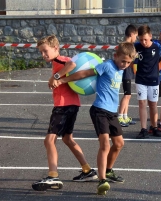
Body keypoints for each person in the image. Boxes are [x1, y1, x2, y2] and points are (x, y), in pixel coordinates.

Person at [52, 42, 136, 195]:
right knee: (105, 144)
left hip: (112, 112)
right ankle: (102, 180)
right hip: (99, 110)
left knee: (118, 144)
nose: (125, 64)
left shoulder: (122, 69)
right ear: (115, 56)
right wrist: (62, 80)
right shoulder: (107, 65)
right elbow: (85, 74)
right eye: (123, 61)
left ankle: (109, 171)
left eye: (129, 62)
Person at [32, 35, 98, 192]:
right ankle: (88, 170)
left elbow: (71, 64)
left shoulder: (60, 60)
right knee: (68, 139)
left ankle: (53, 176)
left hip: (63, 106)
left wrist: (55, 76)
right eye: (41, 52)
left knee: (49, 140)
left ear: (55, 48)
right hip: (72, 105)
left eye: (45, 51)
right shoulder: (59, 60)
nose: (43, 55)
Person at [134, 25, 161, 139]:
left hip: (153, 80)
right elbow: (125, 49)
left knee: (153, 104)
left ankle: (154, 127)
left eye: (146, 39)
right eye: (141, 39)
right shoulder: (136, 46)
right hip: (140, 79)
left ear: (151, 37)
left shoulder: (157, 47)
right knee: (142, 103)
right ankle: (143, 129)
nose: (143, 42)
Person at [118, 24, 138, 127]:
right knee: (127, 95)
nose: (136, 38)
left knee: (128, 95)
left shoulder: (129, 46)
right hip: (125, 72)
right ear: (131, 34)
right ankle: (120, 117)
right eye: (136, 35)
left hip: (129, 72)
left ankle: (125, 116)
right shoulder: (125, 46)